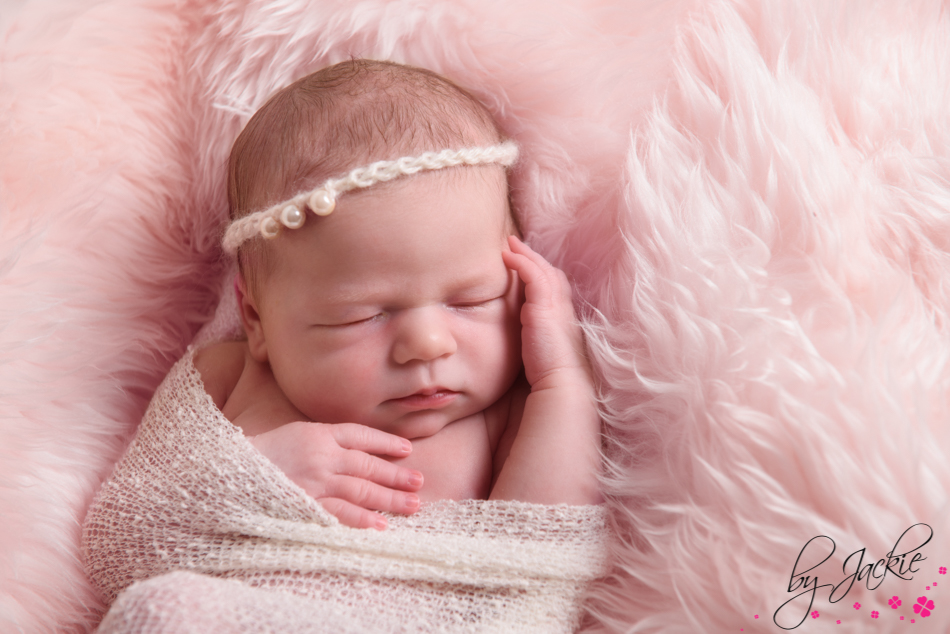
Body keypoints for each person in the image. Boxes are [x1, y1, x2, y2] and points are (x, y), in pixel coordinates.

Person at [197, 58, 602, 531]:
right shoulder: (228, 377)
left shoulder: (507, 415)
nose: (429, 344)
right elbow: (124, 523)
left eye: (471, 301)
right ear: (255, 319)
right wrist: (246, 477)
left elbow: (544, 542)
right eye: (360, 316)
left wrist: (563, 380)